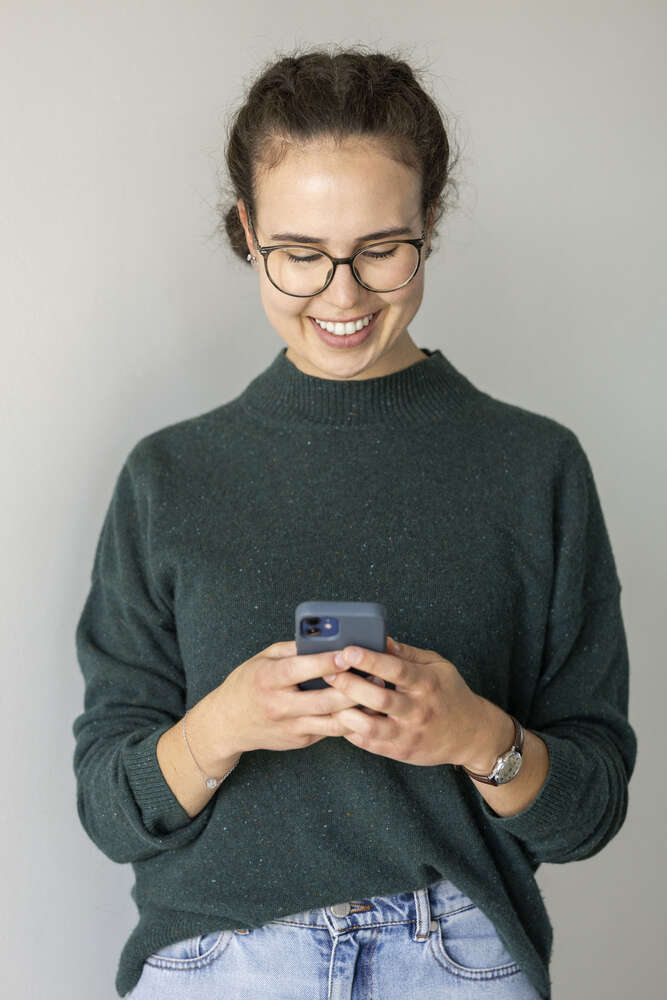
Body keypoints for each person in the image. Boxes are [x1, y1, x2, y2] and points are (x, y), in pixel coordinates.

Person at [72, 46, 637, 1000]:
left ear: (429, 226)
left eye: (381, 248)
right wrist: (223, 726)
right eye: (300, 254)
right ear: (248, 234)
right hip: (218, 965)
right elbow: (109, 809)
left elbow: (587, 812)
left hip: (458, 960)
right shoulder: (168, 477)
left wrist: (473, 735)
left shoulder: (534, 468)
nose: (342, 295)